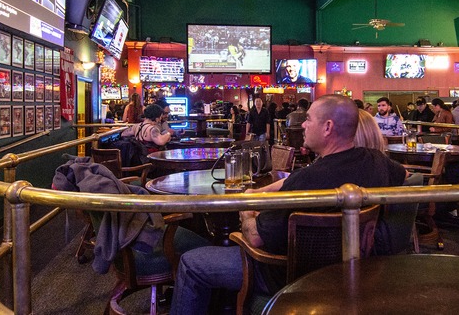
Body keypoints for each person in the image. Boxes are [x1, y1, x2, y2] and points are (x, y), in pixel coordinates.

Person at [170, 95, 406, 314]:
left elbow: (255, 238)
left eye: (308, 120)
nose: (302, 125)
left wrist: (245, 207)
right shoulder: (375, 160)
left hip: (286, 273)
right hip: (355, 271)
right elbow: (404, 175)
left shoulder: (309, 179)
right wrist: (261, 193)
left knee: (192, 263)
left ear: (328, 127)